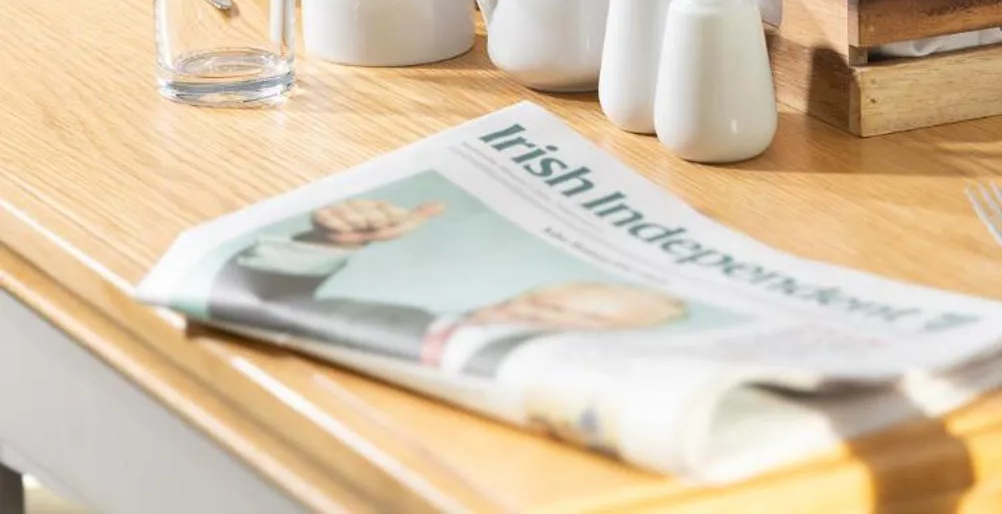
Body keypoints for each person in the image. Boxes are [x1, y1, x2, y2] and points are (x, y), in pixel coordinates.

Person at [206, 197, 685, 378]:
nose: (533, 313)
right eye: (542, 301)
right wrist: (334, 240)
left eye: (586, 319)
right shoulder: (384, 317)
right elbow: (235, 298)